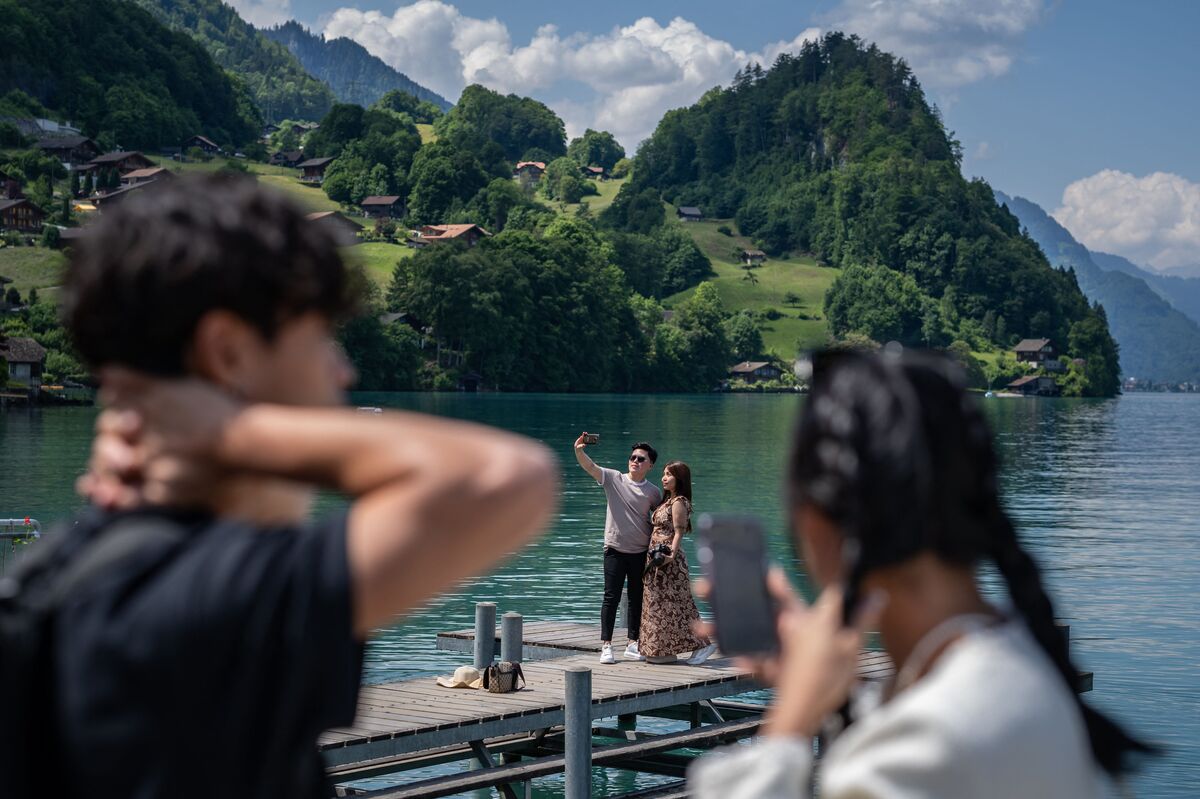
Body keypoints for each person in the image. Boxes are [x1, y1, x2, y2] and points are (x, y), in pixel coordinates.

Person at [6, 174, 559, 799]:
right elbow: (505, 477)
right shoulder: (203, 600)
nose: (341, 369)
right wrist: (232, 433)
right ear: (229, 352)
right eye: (319, 338)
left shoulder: (58, 582)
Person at [689, 350, 1150, 798]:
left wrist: (789, 725)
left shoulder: (920, 750)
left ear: (817, 524)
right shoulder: (1022, 673)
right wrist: (832, 694)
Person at [574, 434, 661, 664]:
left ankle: (633, 643)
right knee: (610, 597)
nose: (635, 461)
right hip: (614, 549)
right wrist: (579, 451)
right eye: (632, 457)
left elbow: (661, 519)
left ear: (650, 465)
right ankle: (607, 646)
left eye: (641, 459)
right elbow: (591, 467)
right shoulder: (614, 479)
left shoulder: (653, 492)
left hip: (640, 551)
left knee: (636, 598)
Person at [639, 461, 717, 665]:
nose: (664, 478)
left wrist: (670, 557)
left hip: (668, 562)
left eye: (669, 475)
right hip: (656, 560)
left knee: (679, 604)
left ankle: (704, 645)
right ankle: (663, 649)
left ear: (679, 478)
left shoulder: (679, 502)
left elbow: (679, 531)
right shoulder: (667, 500)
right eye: (663, 474)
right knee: (660, 605)